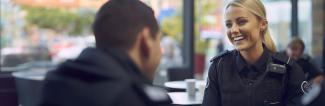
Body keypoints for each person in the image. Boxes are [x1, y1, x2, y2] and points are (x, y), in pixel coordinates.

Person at [39, 0, 172, 106]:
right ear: (146, 39)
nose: (159, 51)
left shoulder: (55, 82)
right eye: (158, 40)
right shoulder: (140, 98)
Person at [202, 0, 305, 106]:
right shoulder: (218, 67)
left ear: (263, 24)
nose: (233, 30)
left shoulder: (290, 70)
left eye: (241, 22)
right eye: (229, 25)